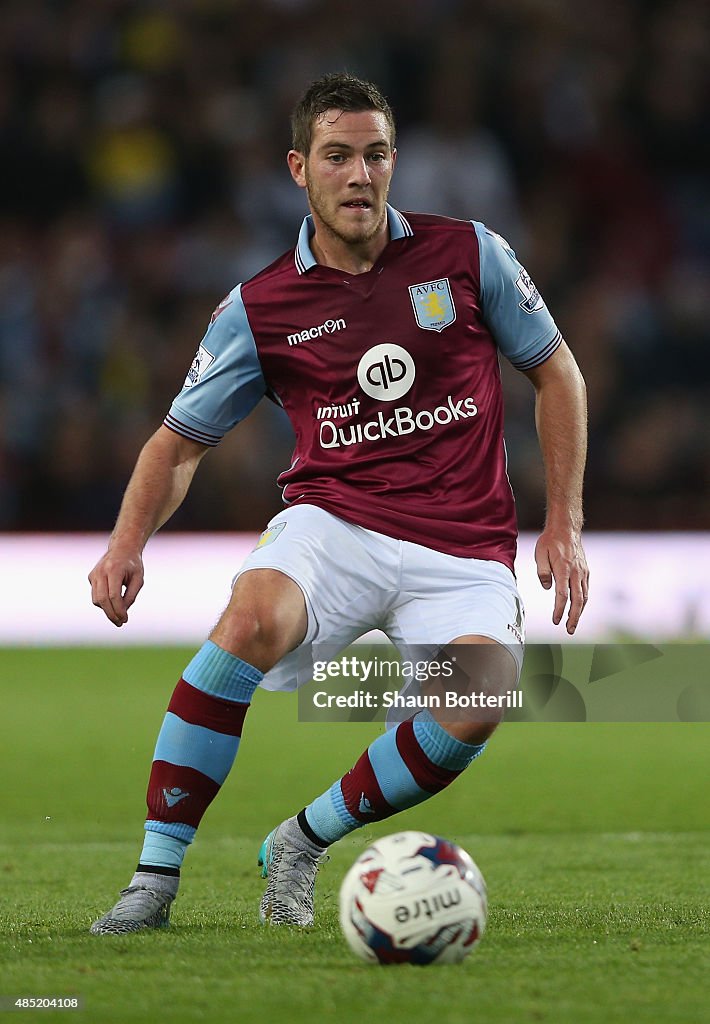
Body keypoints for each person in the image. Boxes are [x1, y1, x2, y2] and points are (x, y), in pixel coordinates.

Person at [88, 72, 588, 934]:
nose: (360, 176)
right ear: (299, 168)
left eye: (376, 155)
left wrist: (565, 523)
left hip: (464, 547)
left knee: (484, 691)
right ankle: (153, 881)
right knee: (247, 619)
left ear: (395, 162)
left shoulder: (469, 254)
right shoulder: (260, 306)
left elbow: (558, 373)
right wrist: (125, 544)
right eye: (338, 158)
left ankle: (305, 838)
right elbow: (177, 442)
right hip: (336, 525)